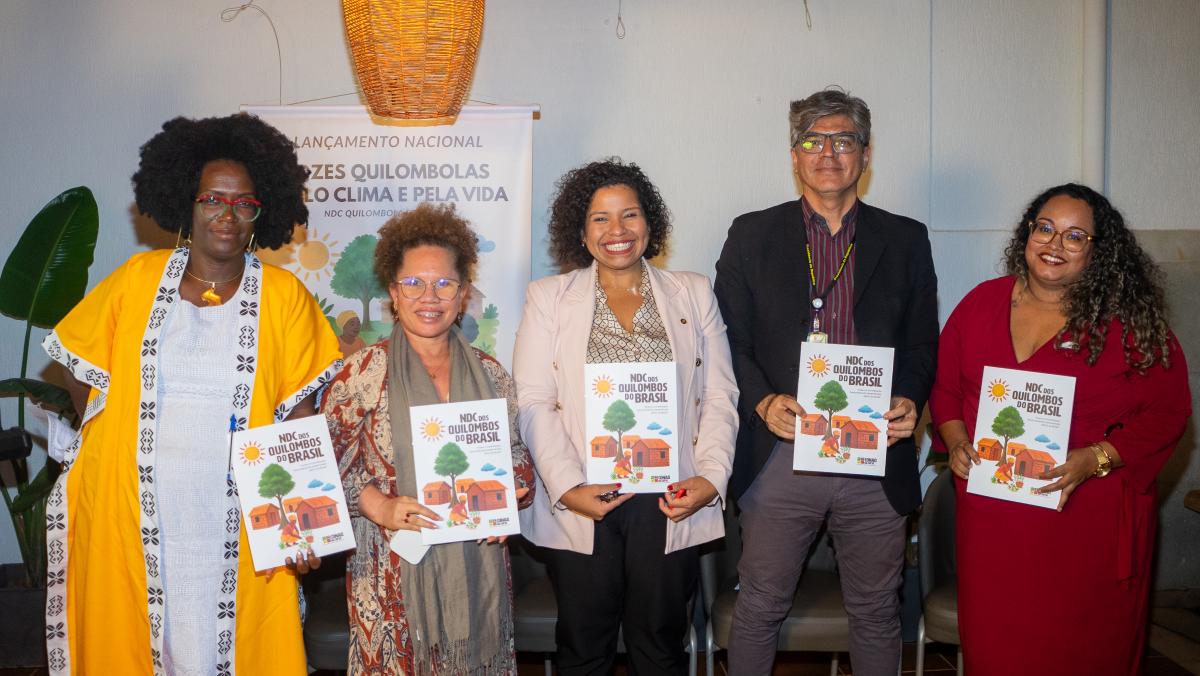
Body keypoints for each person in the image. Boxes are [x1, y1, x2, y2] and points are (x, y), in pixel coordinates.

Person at [41, 113, 342, 675]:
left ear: (260, 213)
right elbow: (77, 365)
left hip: (239, 518)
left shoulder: (285, 297)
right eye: (213, 199)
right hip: (141, 513)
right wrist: (107, 441)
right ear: (189, 202)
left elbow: (300, 416)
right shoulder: (136, 279)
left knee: (230, 646)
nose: (227, 216)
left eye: (243, 204)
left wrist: (300, 521)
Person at [713, 87, 938, 675]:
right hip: (782, 453)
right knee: (759, 607)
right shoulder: (752, 235)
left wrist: (911, 397)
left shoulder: (907, 239)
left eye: (843, 140)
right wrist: (762, 402)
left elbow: (921, 343)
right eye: (813, 140)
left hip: (875, 453)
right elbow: (727, 339)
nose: (828, 152)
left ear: (865, 154)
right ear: (794, 155)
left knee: (876, 611)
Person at [930, 183, 1191, 675]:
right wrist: (955, 438)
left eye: (1075, 236)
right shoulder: (980, 305)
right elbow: (943, 388)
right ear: (1028, 232)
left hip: (1083, 523)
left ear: (1099, 251)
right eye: (1045, 228)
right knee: (997, 650)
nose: (1054, 244)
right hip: (993, 524)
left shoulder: (1127, 324)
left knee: (1080, 652)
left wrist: (1097, 457)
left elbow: (1170, 412)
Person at [514, 159, 739, 674]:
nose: (617, 231)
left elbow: (721, 395)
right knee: (583, 645)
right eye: (600, 218)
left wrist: (710, 476)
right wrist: (567, 488)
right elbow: (532, 400)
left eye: (629, 215)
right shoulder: (549, 298)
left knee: (660, 645)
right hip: (584, 495)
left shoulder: (693, 291)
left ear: (649, 223)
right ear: (581, 228)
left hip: (669, 497)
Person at [321, 202, 535, 674]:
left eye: (444, 284)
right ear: (393, 294)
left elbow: (519, 458)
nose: (429, 296)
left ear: (463, 295)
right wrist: (375, 503)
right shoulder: (359, 375)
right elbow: (320, 472)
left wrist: (511, 494)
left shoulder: (492, 376)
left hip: (478, 572)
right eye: (414, 283)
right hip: (389, 579)